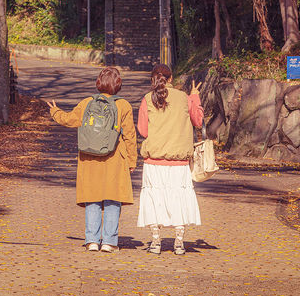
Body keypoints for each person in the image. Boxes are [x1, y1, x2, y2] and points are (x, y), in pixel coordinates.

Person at [45, 66, 137, 253]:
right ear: (118, 85)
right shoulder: (123, 105)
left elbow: (70, 120)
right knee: (113, 199)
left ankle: (92, 240)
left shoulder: (87, 102)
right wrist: (132, 161)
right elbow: (130, 136)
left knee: (92, 197)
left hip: (89, 157)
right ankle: (109, 242)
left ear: (98, 83)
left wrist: (55, 111)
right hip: (114, 158)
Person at [137, 64, 203, 255]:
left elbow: (143, 130)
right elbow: (198, 121)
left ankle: (156, 242)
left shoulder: (147, 99)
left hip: (154, 160)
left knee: (155, 199)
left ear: (153, 79)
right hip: (179, 161)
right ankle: (179, 243)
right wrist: (195, 96)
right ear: (171, 78)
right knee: (179, 199)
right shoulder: (184, 97)